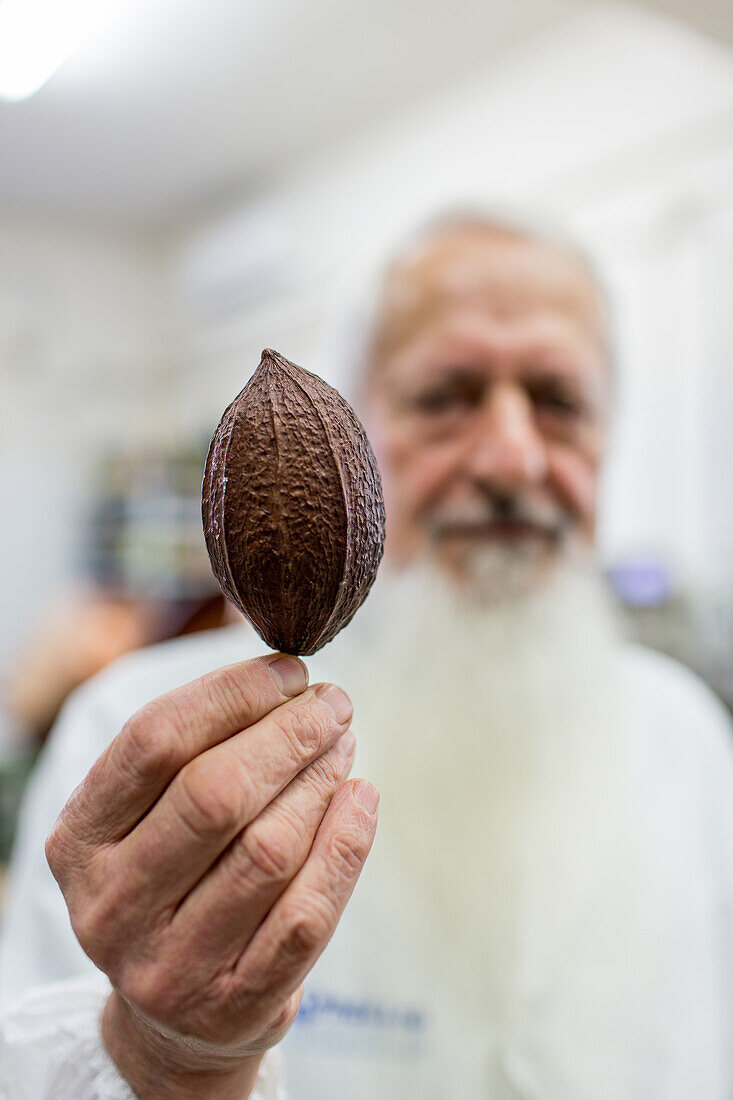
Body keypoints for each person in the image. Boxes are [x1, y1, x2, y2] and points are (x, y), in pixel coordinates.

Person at [1, 214, 732, 1099]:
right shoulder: (144, 745)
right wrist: (163, 1056)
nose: (511, 457)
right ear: (354, 440)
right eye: (445, 398)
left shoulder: (688, 738)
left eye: (558, 400)